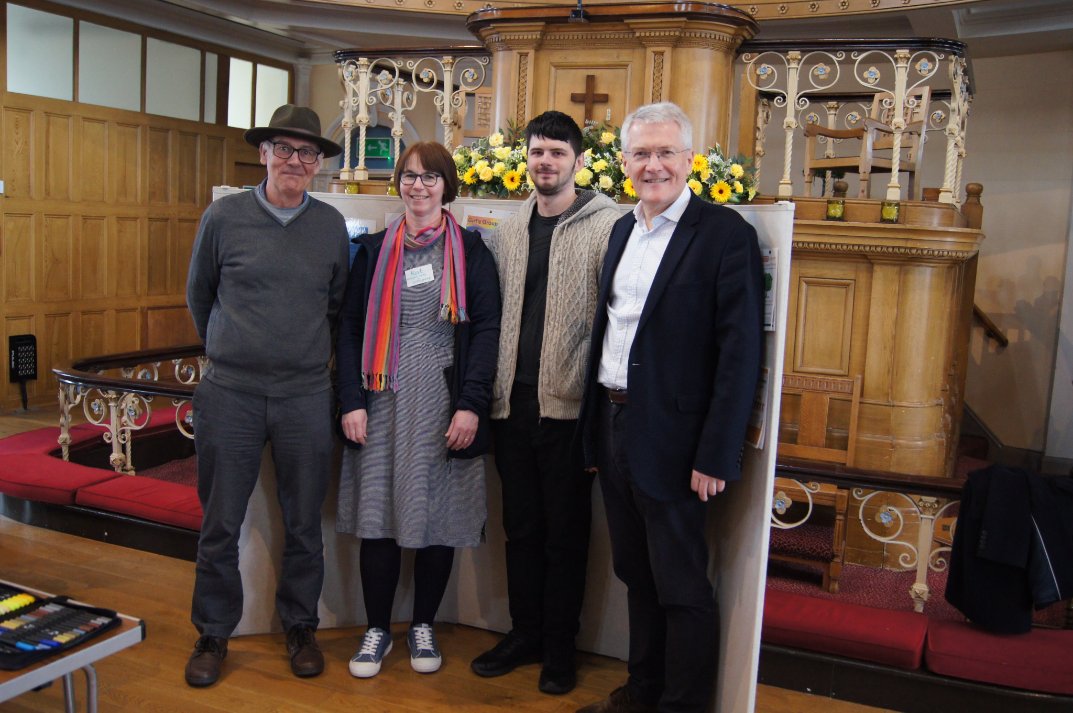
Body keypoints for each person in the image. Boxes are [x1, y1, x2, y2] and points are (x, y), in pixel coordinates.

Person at [576, 102, 764, 713]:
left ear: (689, 159)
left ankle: (682, 705)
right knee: (636, 573)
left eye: (665, 153)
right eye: (641, 154)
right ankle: (643, 691)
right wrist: (595, 434)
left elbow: (739, 354)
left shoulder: (725, 234)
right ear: (624, 162)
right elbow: (611, 332)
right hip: (615, 423)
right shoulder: (622, 230)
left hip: (679, 441)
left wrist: (717, 452)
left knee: (681, 585)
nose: (652, 165)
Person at [184, 104, 349, 687]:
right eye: (284, 149)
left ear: (318, 164)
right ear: (264, 153)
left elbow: (335, 306)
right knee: (220, 524)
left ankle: (300, 626)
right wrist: (234, 346)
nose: (295, 161)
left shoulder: (330, 226)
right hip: (231, 393)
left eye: (307, 152)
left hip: (305, 394)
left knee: (304, 522)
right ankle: (212, 633)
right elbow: (200, 295)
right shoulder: (224, 216)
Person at [335, 141, 501, 679]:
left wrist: (471, 405)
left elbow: (486, 333)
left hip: (443, 399)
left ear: (446, 185)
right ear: (398, 184)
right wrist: (352, 400)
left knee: (438, 513)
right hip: (380, 396)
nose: (418, 186)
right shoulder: (373, 251)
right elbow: (350, 330)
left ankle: (423, 624)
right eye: (409, 176)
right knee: (378, 512)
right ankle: (377, 630)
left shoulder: (470, 250)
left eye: (430, 176)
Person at [470, 111, 621, 695]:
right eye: (537, 152)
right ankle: (525, 633)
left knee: (566, 536)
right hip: (511, 406)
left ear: (578, 161)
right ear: (526, 159)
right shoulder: (509, 229)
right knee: (522, 530)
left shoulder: (609, 226)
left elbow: (614, 322)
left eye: (557, 153)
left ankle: (560, 648)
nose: (545, 162)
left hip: (569, 410)